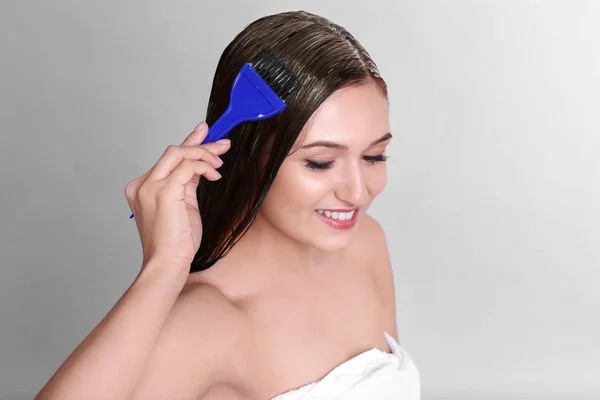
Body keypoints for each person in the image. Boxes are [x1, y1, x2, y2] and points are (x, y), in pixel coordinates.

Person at [35, 10, 421, 400]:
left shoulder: (366, 243)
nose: (358, 193)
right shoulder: (206, 321)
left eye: (375, 157)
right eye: (319, 162)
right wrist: (164, 267)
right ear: (249, 155)